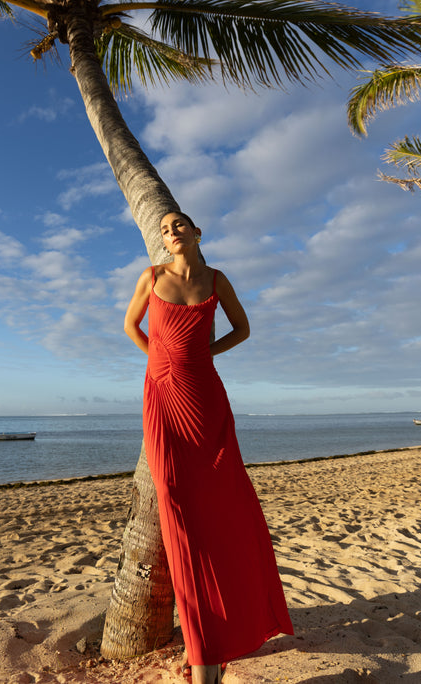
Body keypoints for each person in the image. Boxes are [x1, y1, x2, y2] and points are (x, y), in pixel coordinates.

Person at [124, 211, 293, 684]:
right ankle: (204, 647)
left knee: (223, 507)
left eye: (179, 225)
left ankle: (216, 643)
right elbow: (131, 327)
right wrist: (162, 361)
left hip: (206, 401)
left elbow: (242, 328)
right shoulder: (151, 277)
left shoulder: (216, 280)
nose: (171, 233)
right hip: (163, 397)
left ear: (197, 233)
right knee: (174, 503)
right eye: (164, 229)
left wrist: (202, 355)